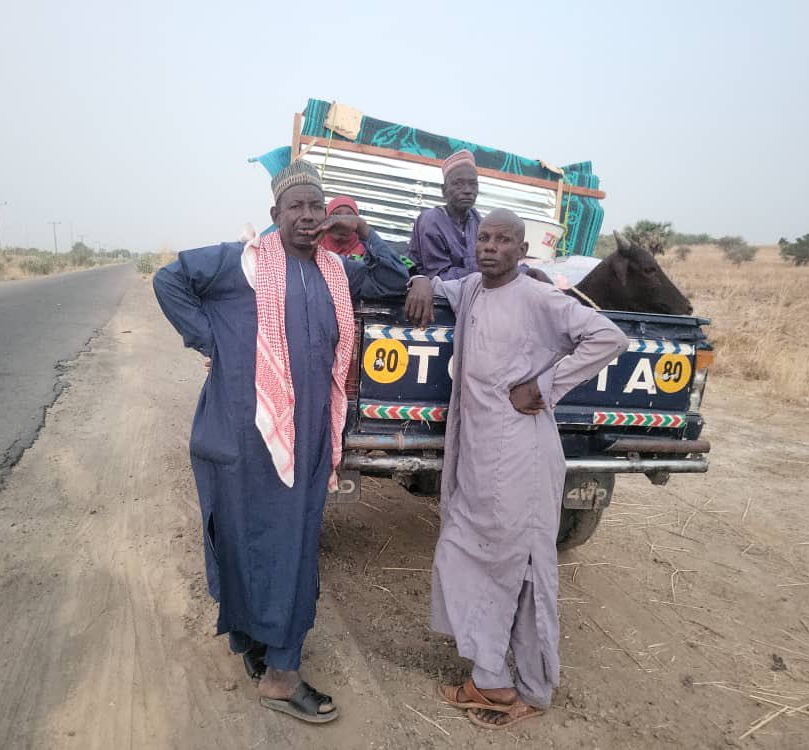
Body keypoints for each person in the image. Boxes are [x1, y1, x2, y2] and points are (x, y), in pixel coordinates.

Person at [153, 160, 409, 724]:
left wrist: (362, 231)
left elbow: (392, 278)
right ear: (275, 215)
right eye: (298, 206)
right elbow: (168, 280)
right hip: (243, 432)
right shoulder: (241, 263)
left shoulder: (337, 272)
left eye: (318, 207)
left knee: (290, 545)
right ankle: (279, 674)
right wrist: (210, 339)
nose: (310, 216)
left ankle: (267, 653)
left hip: (310, 435)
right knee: (249, 538)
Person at [404, 209, 627, 730]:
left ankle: (525, 687)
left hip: (520, 456)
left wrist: (547, 385)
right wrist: (419, 278)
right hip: (478, 453)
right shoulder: (474, 290)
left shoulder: (538, 296)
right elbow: (440, 285)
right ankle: (488, 673)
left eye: (504, 241)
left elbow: (608, 337)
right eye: (485, 238)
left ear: (522, 252)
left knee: (519, 570)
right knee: (465, 551)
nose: (491, 247)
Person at [408, 149, 482, 279]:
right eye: (458, 184)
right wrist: (486, 275)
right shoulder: (431, 220)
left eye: (473, 184)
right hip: (435, 294)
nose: (467, 190)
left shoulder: (476, 219)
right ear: (443, 191)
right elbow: (439, 276)